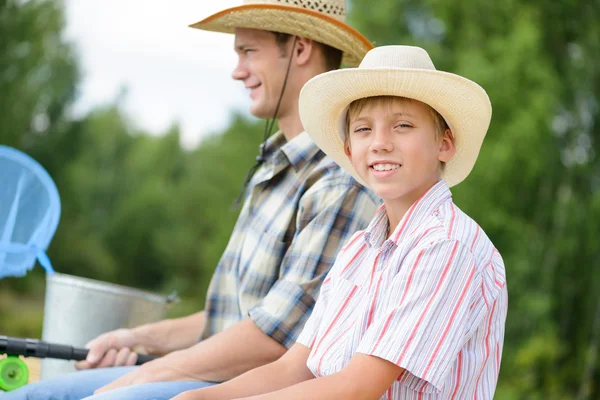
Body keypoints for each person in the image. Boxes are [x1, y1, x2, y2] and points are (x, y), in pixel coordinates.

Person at [5, 2, 378, 400]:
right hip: (207, 378)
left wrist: (149, 373)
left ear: (301, 49)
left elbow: (274, 337)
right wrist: (138, 339)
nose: (237, 71)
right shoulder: (275, 167)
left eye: (248, 52)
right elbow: (229, 317)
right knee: (26, 395)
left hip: (246, 390)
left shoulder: (339, 182)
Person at [172, 45, 508, 400]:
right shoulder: (357, 251)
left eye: (403, 125)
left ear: (444, 144)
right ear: (349, 151)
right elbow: (295, 368)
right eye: (363, 129)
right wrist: (201, 397)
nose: (380, 143)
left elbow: (357, 387)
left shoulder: (446, 246)